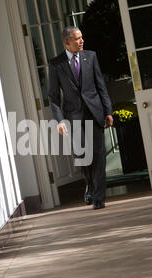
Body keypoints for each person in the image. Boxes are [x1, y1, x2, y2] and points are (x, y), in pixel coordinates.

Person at [48, 26, 113, 210]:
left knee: (99, 155)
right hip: (73, 116)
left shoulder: (90, 57)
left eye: (81, 37)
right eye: (77, 39)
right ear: (67, 42)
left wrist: (108, 111)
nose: (81, 41)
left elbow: (101, 86)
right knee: (83, 156)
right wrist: (60, 120)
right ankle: (90, 185)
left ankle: (99, 198)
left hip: (95, 112)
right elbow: (53, 97)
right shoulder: (56, 64)